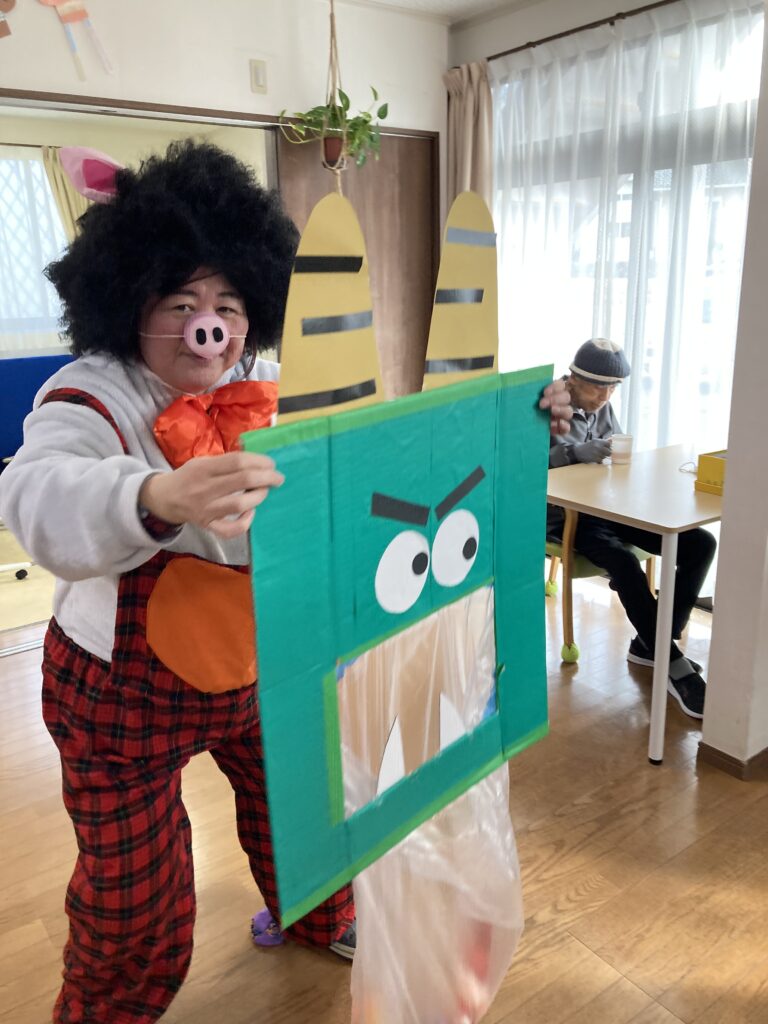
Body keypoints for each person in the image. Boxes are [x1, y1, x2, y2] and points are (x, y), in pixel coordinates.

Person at [0, 139, 572, 1023]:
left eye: (228, 305)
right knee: (133, 899)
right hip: (120, 693)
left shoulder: (274, 382)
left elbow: (389, 456)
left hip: (265, 665)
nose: (209, 327)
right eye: (181, 303)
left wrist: (519, 420)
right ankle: (107, 1009)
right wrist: (152, 494)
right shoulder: (92, 394)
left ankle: (320, 916)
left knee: (306, 816)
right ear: (129, 300)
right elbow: (35, 494)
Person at [548, 338, 716, 720]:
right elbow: (521, 464)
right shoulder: (546, 406)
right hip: (566, 515)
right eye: (597, 387)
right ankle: (673, 663)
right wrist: (573, 452)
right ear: (573, 379)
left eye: (613, 388)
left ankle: (650, 643)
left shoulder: (602, 407)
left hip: (608, 507)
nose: (605, 396)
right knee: (623, 563)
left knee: (700, 544)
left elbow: (617, 455)